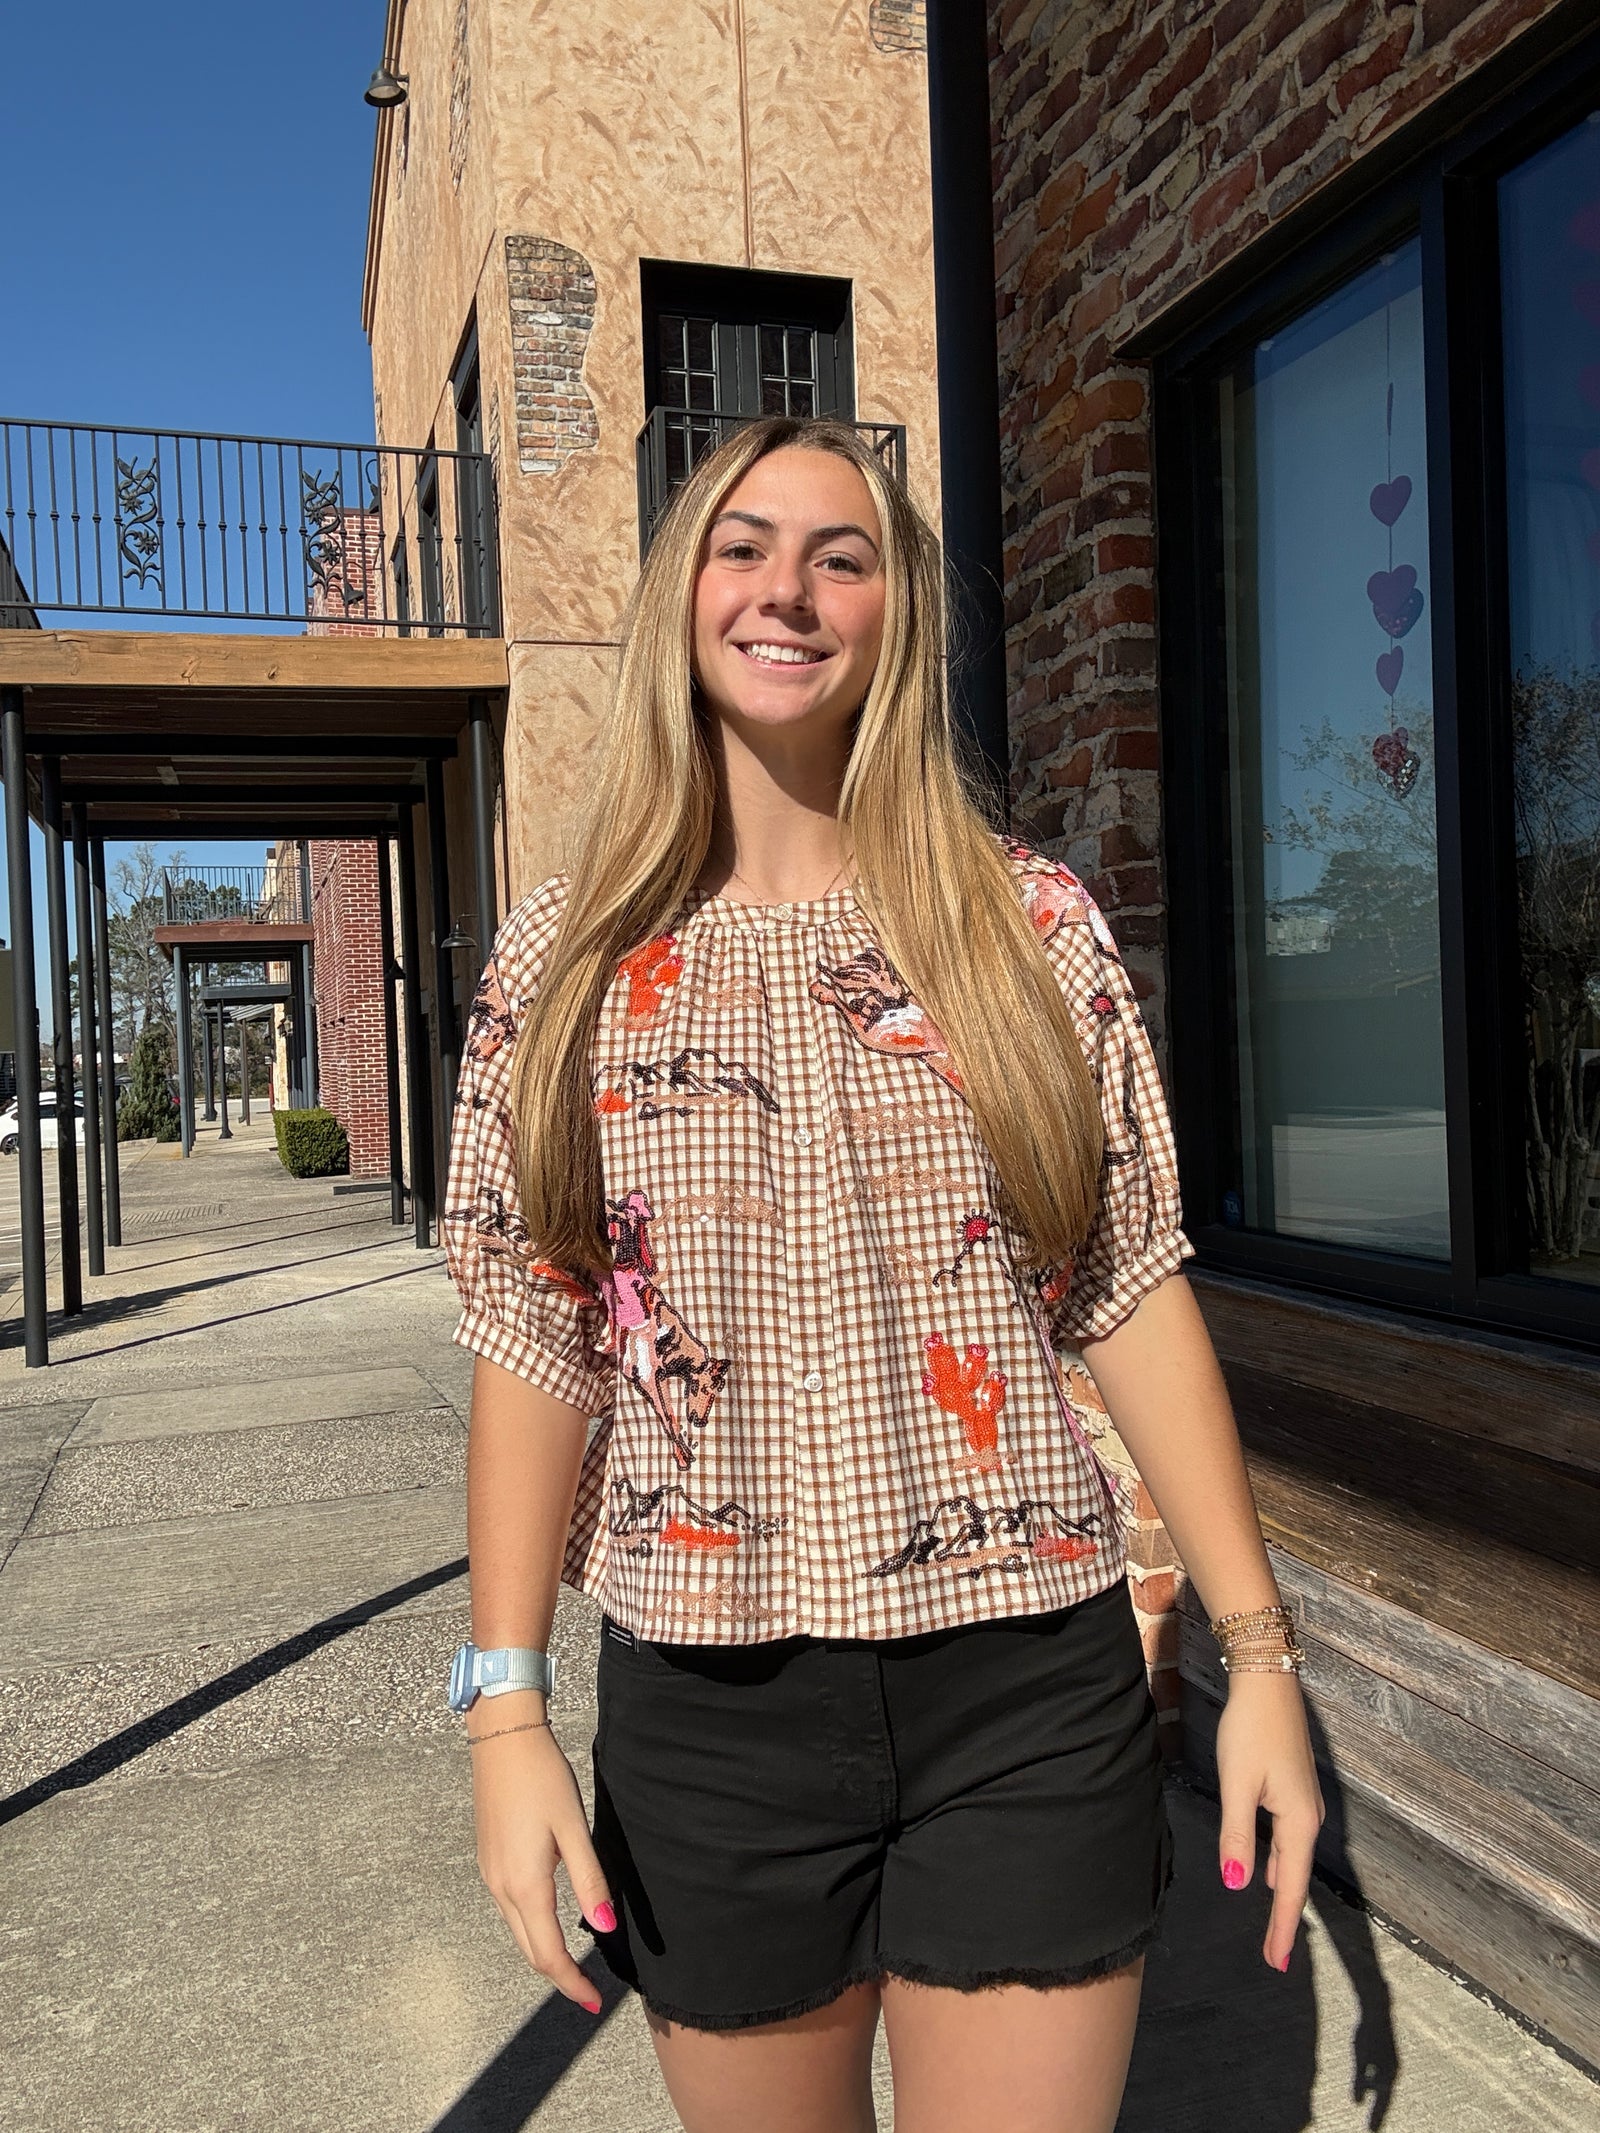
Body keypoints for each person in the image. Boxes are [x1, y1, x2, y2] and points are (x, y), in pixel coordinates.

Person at [441, 415, 1325, 2133]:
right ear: (682, 594)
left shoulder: (1027, 929)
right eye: (745, 544)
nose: (789, 588)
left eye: (842, 555)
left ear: (895, 613)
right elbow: (536, 1338)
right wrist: (506, 1711)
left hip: (1026, 1695)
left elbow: (1128, 1286)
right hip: (714, 1712)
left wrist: (1262, 1653)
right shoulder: (569, 964)